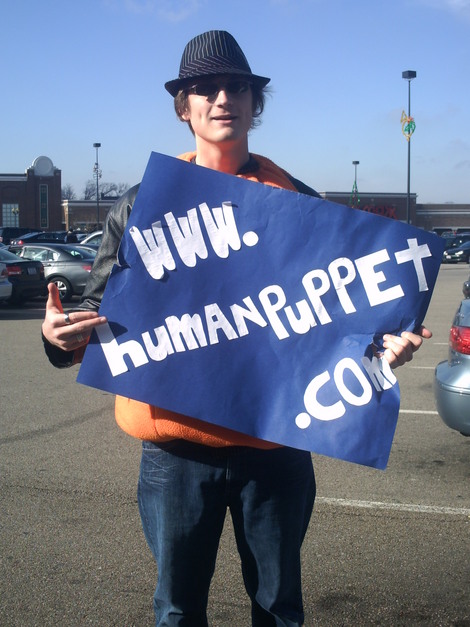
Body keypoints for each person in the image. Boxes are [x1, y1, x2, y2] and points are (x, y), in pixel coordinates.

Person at [41, 30, 431, 626]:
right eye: (205, 89)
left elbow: (343, 323)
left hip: (273, 450)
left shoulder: (298, 203)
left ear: (255, 103)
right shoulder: (141, 206)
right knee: (177, 611)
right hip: (174, 451)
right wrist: (58, 339)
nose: (222, 99)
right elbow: (98, 316)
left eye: (236, 87)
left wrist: (384, 349)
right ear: (184, 106)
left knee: (278, 611)